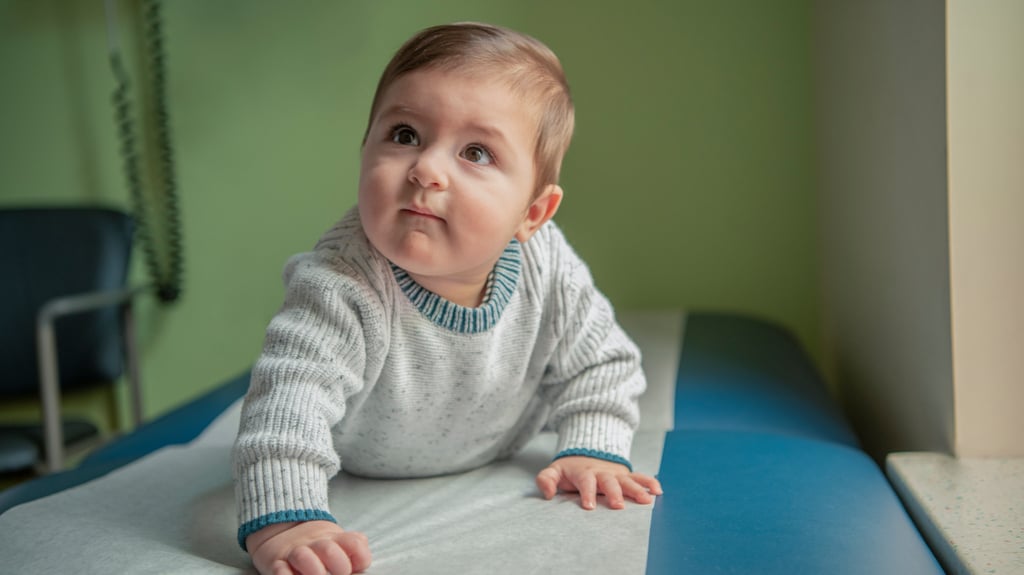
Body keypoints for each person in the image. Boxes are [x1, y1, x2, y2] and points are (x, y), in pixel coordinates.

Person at [232, 21, 663, 575]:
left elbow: (602, 362)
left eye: (477, 152)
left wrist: (591, 447)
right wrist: (288, 520)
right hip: (363, 459)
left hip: (497, 445)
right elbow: (289, 399)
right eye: (405, 134)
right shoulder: (343, 282)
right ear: (364, 149)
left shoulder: (546, 263)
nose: (426, 169)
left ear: (532, 214)